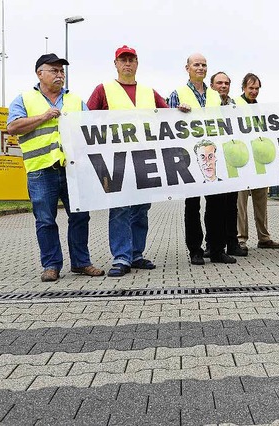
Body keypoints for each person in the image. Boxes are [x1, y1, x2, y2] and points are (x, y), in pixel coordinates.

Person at [7, 53, 104, 282]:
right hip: (41, 170)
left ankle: (81, 262)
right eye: (54, 70)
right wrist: (44, 116)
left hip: (73, 169)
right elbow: (12, 127)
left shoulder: (75, 100)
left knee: (80, 217)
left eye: (62, 71)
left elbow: (90, 129)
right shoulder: (24, 99)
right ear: (40, 73)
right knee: (45, 220)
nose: (60, 74)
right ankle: (51, 265)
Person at [87, 45, 168, 277]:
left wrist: (180, 110)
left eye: (131, 59)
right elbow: (84, 120)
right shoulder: (103, 90)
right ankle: (121, 257)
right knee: (120, 209)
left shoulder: (149, 92)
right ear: (115, 63)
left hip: (145, 159)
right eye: (123, 60)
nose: (128, 64)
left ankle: (136, 254)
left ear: (137, 63)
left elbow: (168, 116)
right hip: (115, 160)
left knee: (141, 209)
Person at [168, 53, 236, 265]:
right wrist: (177, 112)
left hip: (213, 157)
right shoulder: (177, 94)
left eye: (204, 65)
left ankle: (216, 249)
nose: (200, 68)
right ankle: (195, 250)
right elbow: (167, 124)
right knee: (193, 206)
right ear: (186, 67)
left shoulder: (216, 95)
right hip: (189, 158)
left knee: (217, 205)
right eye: (196, 64)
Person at [235, 73, 279, 251]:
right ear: (244, 88)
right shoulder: (234, 105)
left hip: (259, 162)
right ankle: (241, 239)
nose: (254, 91)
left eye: (257, 88)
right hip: (240, 161)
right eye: (251, 88)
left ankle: (264, 237)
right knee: (241, 203)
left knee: (261, 201)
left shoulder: (261, 109)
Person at [208, 72, 247, 258]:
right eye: (219, 83)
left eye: (226, 83)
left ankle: (232, 243)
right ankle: (212, 244)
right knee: (213, 206)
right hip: (212, 161)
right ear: (212, 85)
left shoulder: (235, 105)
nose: (223, 86)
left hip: (231, 160)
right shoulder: (207, 103)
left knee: (231, 204)